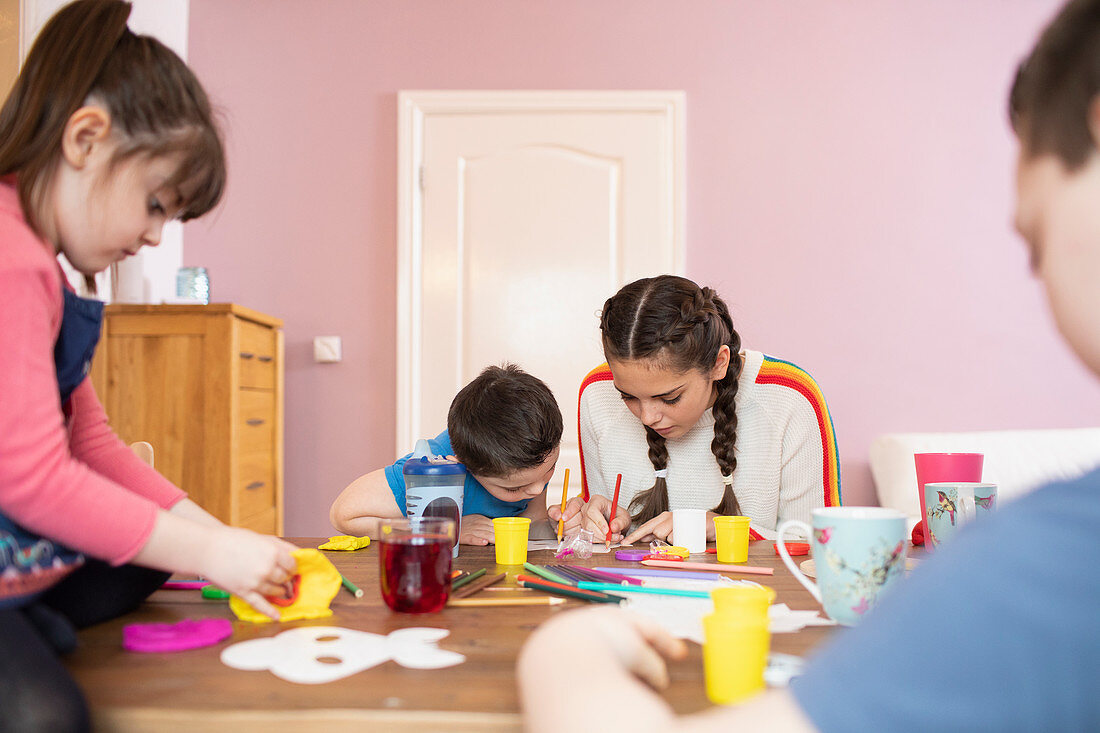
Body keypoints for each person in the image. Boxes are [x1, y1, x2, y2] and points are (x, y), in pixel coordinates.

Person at [518, 1, 1100, 730]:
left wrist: (560, 652)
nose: (1035, 272)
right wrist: (588, 524)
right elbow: (606, 540)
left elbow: (807, 548)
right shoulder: (1049, 558)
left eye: (1035, 239)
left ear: (718, 363)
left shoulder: (1041, 561)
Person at [0, 2, 299, 729]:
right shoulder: (12, 261)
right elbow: (32, 478)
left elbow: (92, 444)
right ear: (85, 138)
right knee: (46, 712)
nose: (156, 234)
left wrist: (219, 535)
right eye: (156, 203)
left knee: (153, 552)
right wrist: (213, 547)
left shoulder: (45, 267)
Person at [559, 275, 840, 545]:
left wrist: (723, 529)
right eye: (628, 397)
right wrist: (589, 521)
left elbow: (821, 545)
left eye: (669, 398)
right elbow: (599, 535)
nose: (647, 417)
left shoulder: (790, 396)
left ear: (719, 363)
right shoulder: (597, 391)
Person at [330, 363, 563, 545]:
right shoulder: (431, 470)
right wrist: (444, 529)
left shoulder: (531, 458)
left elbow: (531, 523)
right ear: (460, 465)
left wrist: (562, 527)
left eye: (549, 470)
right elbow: (344, 516)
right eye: (513, 489)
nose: (536, 489)